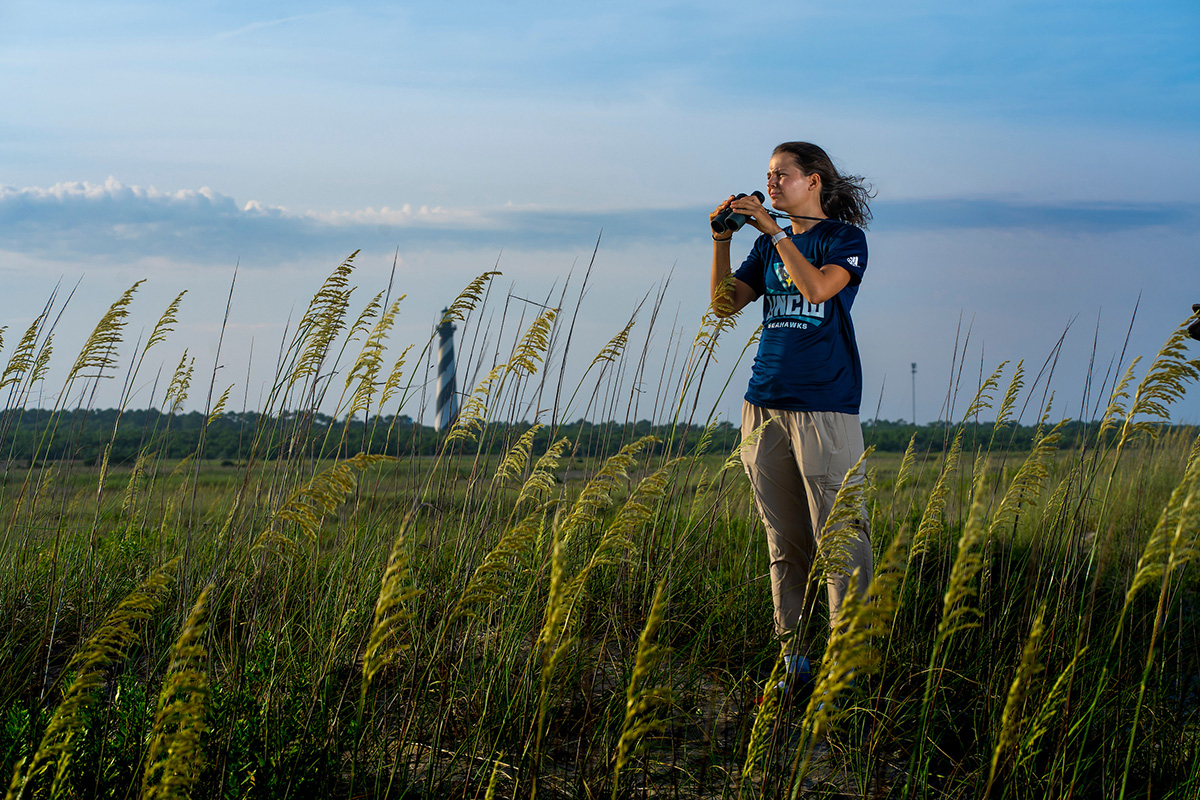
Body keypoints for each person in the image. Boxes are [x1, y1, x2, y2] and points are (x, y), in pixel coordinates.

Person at [709, 141, 875, 690]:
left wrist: (774, 231)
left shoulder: (843, 240)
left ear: (815, 181)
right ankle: (794, 665)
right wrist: (723, 239)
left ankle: (845, 673)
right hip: (764, 407)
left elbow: (817, 288)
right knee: (784, 543)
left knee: (840, 539)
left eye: (782, 175)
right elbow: (724, 304)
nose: (772, 184)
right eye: (768, 176)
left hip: (825, 408)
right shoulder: (766, 246)